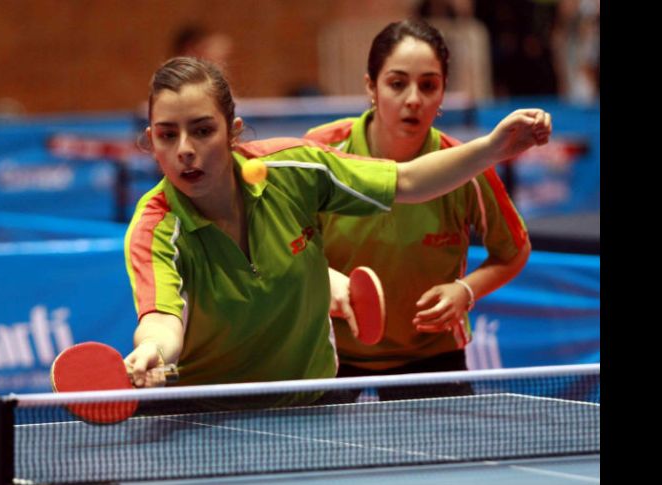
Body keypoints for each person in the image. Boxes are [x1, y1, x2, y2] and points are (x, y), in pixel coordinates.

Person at [123, 56, 549, 408]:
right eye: (167, 134)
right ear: (151, 139)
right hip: (204, 410)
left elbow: (407, 182)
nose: (184, 149)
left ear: (233, 132)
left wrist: (494, 147)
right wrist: (153, 351)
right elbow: (162, 318)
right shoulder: (157, 227)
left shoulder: (294, 172)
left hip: (308, 399)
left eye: (202, 129)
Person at [303, 19, 531, 395]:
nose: (413, 99)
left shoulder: (466, 166)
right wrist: (320, 276)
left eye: (428, 86)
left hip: (432, 360)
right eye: (397, 83)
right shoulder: (321, 153)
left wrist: (466, 291)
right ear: (370, 87)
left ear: (442, 94)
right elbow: (287, 241)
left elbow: (514, 251)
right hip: (331, 353)